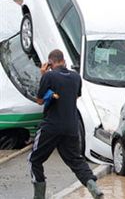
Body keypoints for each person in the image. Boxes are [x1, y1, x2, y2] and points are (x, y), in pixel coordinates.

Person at [28, 49, 103, 199]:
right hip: (71, 127)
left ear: (50, 63)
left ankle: (39, 197)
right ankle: (94, 187)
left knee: (34, 159)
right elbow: (75, 97)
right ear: (63, 61)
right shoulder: (76, 77)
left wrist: (43, 75)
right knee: (76, 160)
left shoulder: (49, 76)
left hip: (51, 126)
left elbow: (40, 100)